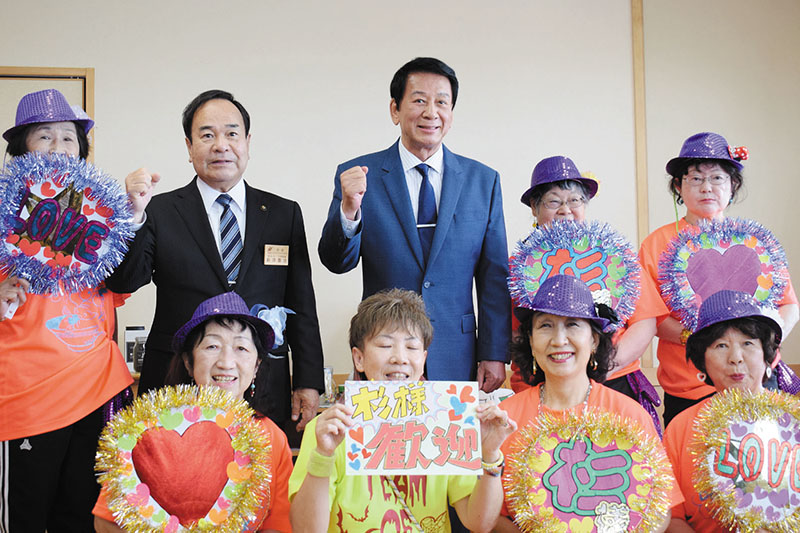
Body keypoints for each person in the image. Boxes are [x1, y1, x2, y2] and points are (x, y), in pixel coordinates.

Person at [105, 89, 324, 430]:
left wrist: (308, 380)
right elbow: (123, 281)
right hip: (175, 383)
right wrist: (132, 216)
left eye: (232, 134)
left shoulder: (283, 213)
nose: (221, 145)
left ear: (247, 142)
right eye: (207, 135)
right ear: (189, 147)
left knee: (262, 464)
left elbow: (302, 305)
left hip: (261, 383)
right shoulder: (159, 210)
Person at [318, 57, 510, 393]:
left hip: (457, 351)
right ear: (395, 110)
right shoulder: (360, 175)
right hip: (384, 354)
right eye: (419, 100)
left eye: (442, 103)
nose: (431, 112)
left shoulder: (483, 181)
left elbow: (494, 276)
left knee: (451, 431)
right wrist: (349, 209)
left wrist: (494, 352)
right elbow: (337, 262)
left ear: (451, 114)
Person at [0, 88, 133, 532]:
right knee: (24, 520)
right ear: (21, 149)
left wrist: (134, 214)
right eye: (45, 136)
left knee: (82, 521)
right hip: (29, 402)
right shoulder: (2, 210)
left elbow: (120, 286)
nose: (59, 148)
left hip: (99, 394)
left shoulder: (100, 217)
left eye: (69, 138)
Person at [288, 289, 517, 532]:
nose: (400, 358)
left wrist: (490, 456)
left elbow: (480, 522)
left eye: (411, 347)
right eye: (385, 345)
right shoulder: (328, 431)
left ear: (423, 359)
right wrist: (323, 455)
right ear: (359, 358)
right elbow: (307, 530)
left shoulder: (446, 423)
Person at [495, 275, 682, 532]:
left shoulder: (629, 414)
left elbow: (660, 508)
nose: (559, 340)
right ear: (530, 341)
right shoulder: (506, 418)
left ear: (594, 340)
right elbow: (491, 517)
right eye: (546, 325)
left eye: (572, 324)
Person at [93, 292, 292, 532]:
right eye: (212, 346)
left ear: (257, 365)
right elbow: (106, 521)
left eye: (241, 347)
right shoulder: (149, 430)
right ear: (189, 362)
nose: (226, 362)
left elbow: (278, 525)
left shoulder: (272, 438)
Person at [639, 132, 799, 427]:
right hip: (688, 384)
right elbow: (652, 318)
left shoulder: (754, 241)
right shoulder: (656, 244)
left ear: (732, 185)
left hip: (756, 380)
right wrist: (707, 344)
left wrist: (761, 348)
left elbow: (789, 307)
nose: (707, 187)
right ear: (679, 186)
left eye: (717, 178)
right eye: (695, 179)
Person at [509, 155, 667, 433]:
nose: (566, 210)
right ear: (534, 208)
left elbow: (645, 322)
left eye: (575, 200)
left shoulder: (615, 255)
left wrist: (601, 366)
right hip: (542, 388)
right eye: (553, 202)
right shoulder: (520, 266)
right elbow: (515, 333)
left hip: (615, 380)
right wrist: (560, 371)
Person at [664, 289, 782, 532]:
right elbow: (671, 516)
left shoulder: (792, 421)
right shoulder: (681, 427)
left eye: (748, 343)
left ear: (766, 355)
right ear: (703, 362)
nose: (735, 358)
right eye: (721, 345)